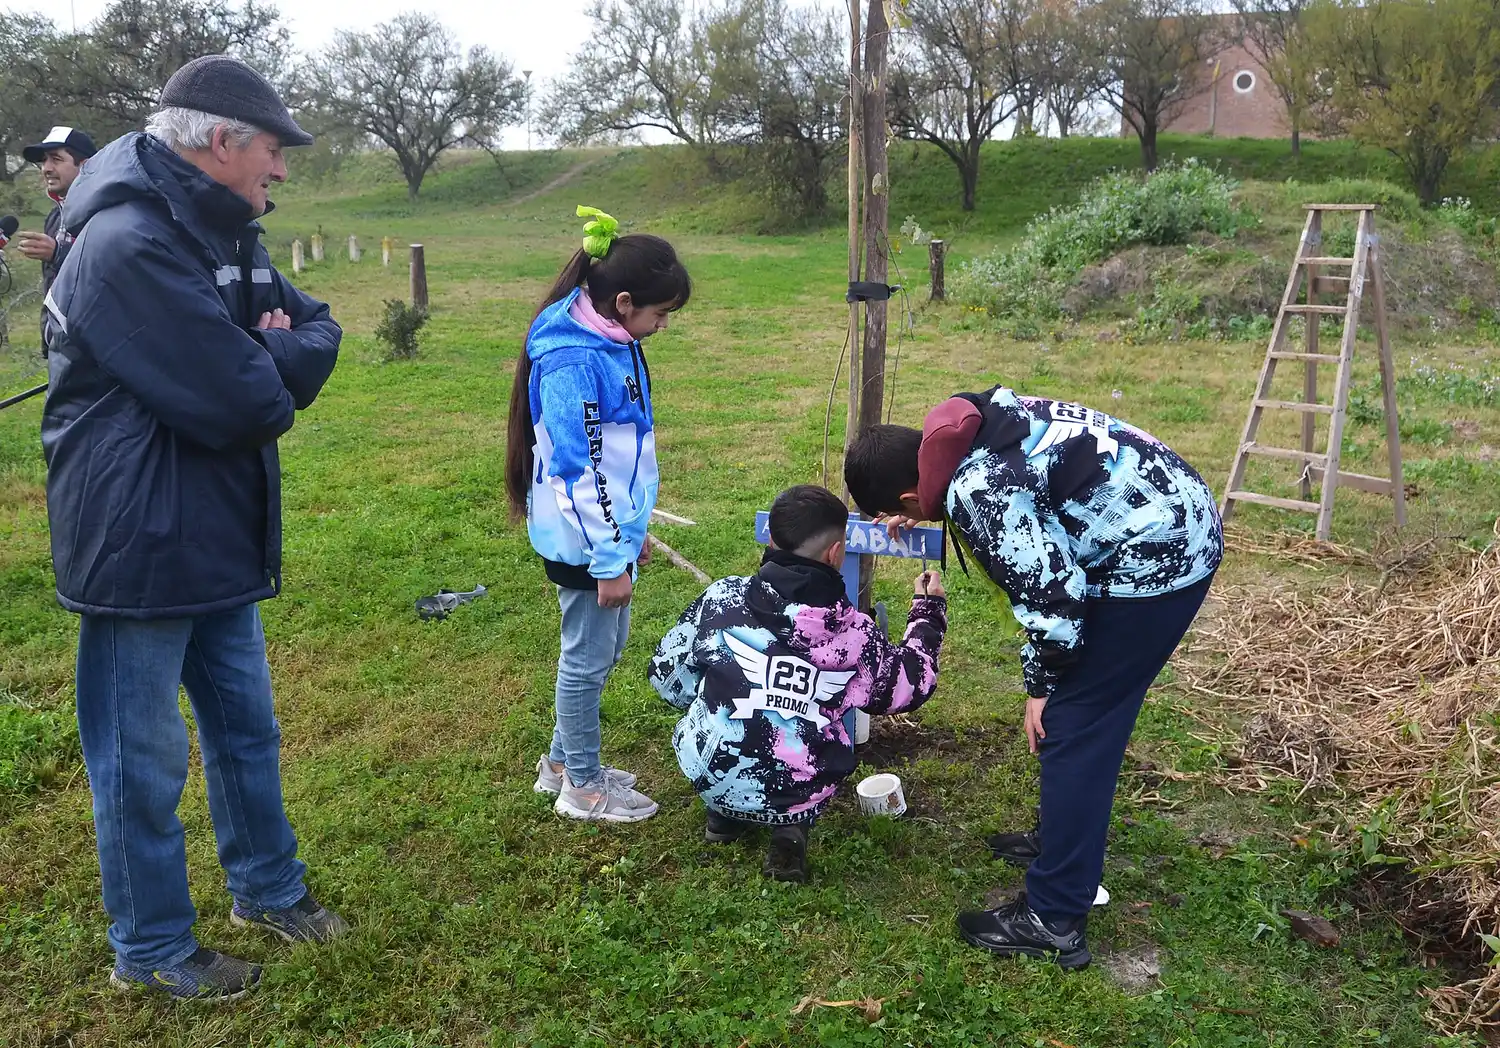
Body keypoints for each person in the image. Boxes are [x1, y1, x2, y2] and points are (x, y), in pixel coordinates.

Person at [40, 55, 344, 1002]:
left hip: (217, 524)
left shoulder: (228, 230)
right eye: (272, 151)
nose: (281, 170)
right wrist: (260, 351)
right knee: (140, 763)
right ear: (220, 143)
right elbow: (244, 401)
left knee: (248, 729)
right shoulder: (127, 242)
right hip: (135, 539)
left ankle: (268, 888)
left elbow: (321, 330)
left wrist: (258, 348)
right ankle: (152, 946)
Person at [844, 386, 1223, 969]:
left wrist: (1040, 687)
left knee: (1072, 725)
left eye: (905, 511)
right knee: (1079, 715)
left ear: (907, 495)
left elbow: (1054, 600)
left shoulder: (980, 489)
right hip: (1171, 509)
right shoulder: (970, 429)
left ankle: (1054, 915)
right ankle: (1060, 841)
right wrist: (922, 505)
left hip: (1158, 560)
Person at [649, 484, 948, 882]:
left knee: (730, 726)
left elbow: (667, 679)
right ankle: (788, 838)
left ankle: (722, 815)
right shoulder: (854, 635)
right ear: (835, 553)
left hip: (708, 770)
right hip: (799, 790)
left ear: (771, 540)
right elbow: (910, 685)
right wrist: (927, 612)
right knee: (804, 742)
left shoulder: (721, 598)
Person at [504, 206, 691, 824]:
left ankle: (561, 765)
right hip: (582, 540)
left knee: (604, 652)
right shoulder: (573, 361)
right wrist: (609, 556)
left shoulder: (610, 337)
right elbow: (577, 472)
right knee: (586, 662)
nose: (662, 325)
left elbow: (615, 457)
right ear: (624, 303)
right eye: (659, 314)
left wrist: (630, 531)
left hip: (606, 534)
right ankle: (582, 788)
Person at [16, 125, 96, 336]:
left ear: (85, 165)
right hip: (58, 338)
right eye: (44, 160)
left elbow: (111, 269)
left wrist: (58, 252)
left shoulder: (104, 212)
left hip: (94, 341)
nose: (46, 168)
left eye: (56, 159)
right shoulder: (54, 216)